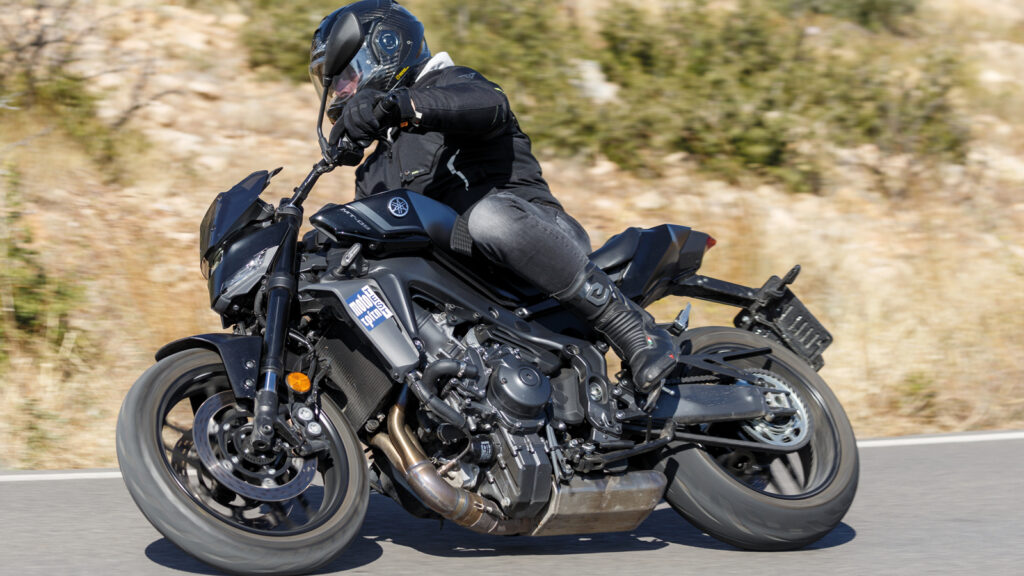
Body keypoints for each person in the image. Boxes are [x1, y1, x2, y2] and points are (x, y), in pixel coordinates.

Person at [308, 0, 677, 395]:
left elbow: (487, 104)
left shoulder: (451, 84)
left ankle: (631, 328)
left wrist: (401, 106)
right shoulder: (372, 170)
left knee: (488, 218)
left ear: (386, 49)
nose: (340, 92)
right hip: (470, 277)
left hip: (536, 234)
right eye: (332, 82)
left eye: (346, 76)